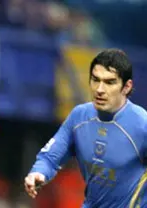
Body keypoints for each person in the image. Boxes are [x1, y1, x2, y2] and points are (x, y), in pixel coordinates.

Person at [24, 49, 147, 208]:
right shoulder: (79, 117)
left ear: (127, 87)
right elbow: (50, 157)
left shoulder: (142, 124)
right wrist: (38, 172)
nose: (100, 90)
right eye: (95, 80)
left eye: (110, 82)